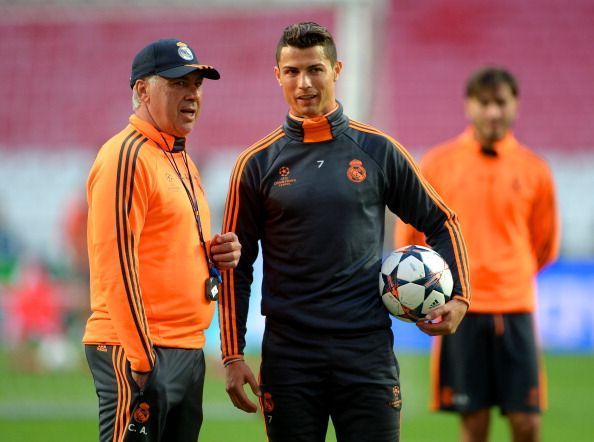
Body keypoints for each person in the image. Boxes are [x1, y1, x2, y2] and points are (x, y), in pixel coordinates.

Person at [219, 22, 471, 442]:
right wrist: (231, 353)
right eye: (292, 71)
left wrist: (460, 296)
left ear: (337, 69)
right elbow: (236, 265)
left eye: (315, 69)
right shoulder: (256, 164)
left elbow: (442, 221)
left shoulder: (377, 150)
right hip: (289, 356)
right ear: (277, 75)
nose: (304, 83)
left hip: (366, 351)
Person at [82, 38, 241, 442]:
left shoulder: (180, 158)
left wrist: (215, 254)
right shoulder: (126, 156)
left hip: (185, 348)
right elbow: (116, 263)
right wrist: (140, 359)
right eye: (177, 83)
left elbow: (164, 246)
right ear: (141, 90)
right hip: (140, 346)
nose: (191, 94)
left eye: (196, 84)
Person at [395, 66, 559, 442]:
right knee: (473, 423)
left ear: (515, 106)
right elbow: (412, 238)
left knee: (527, 422)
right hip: (459, 309)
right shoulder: (438, 163)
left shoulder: (535, 169)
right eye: (484, 103)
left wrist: (509, 274)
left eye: (501, 103)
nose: (493, 112)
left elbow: (545, 244)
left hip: (516, 307)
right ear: (469, 106)